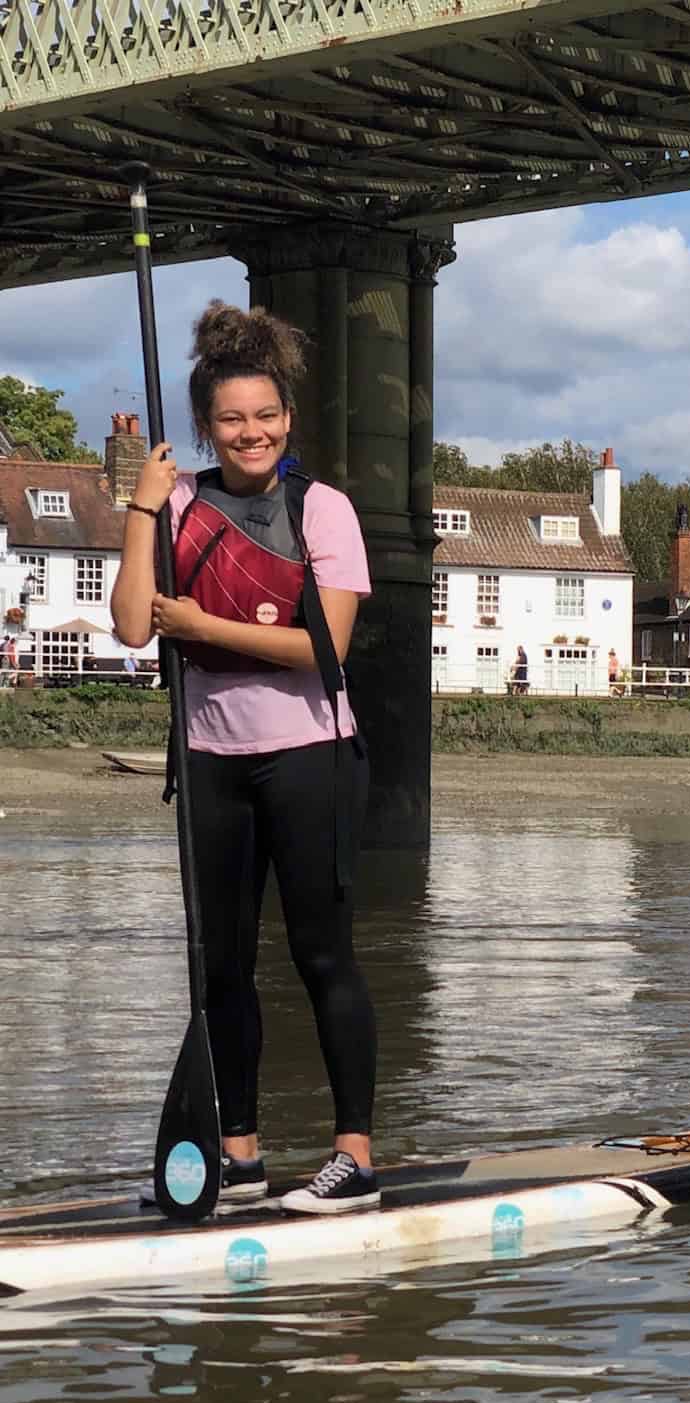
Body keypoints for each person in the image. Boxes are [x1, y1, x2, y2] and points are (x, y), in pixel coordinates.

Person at [112, 299, 381, 1217]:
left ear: (287, 421)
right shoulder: (177, 501)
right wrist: (144, 508)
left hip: (311, 758)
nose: (251, 432)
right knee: (217, 964)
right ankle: (241, 1156)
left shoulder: (324, 511)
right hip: (210, 762)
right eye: (231, 419)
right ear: (204, 427)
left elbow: (326, 650)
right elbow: (127, 625)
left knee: (320, 956)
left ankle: (353, 1156)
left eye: (265, 416)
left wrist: (198, 624)